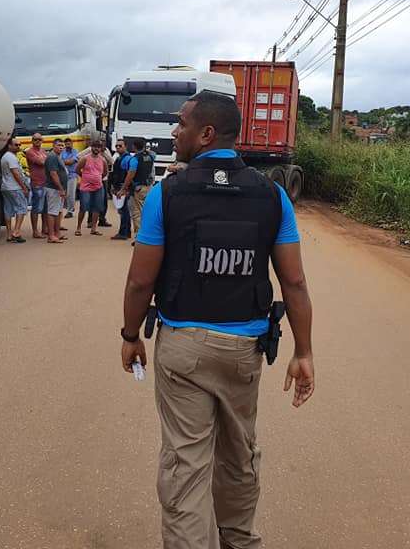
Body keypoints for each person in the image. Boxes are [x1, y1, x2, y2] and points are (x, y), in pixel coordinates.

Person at [119, 91, 315, 549]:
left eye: (182, 124)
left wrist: (130, 335)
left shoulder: (167, 194)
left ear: (206, 134)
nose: (175, 132)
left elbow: (139, 282)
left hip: (183, 347)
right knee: (238, 454)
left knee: (186, 465)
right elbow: (295, 281)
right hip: (244, 351)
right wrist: (303, 352)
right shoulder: (272, 196)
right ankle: (239, 540)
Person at [116, 137, 155, 237]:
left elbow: (130, 175)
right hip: (149, 187)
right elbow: (153, 153)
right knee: (147, 211)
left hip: (138, 189)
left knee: (137, 213)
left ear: (134, 147)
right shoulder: (150, 156)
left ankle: (140, 236)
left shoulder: (135, 159)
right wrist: (146, 150)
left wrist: (123, 189)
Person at [75, 139, 109, 236]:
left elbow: (105, 172)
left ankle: (94, 228)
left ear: (101, 149)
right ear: (91, 148)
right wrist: (85, 177)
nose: (96, 149)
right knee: (83, 207)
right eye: (94, 147)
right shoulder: (85, 158)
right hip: (86, 187)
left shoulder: (103, 160)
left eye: (98, 147)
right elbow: (77, 169)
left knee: (97, 208)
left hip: (98, 187)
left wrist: (98, 178)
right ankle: (78, 228)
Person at [1, 137, 29, 243]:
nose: (18, 146)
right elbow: (16, 174)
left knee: (8, 210)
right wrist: (24, 188)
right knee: (21, 208)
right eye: (16, 145)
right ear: (9, 146)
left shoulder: (5, 156)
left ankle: (9, 234)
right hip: (14, 187)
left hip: (6, 187)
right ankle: (16, 232)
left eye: (19, 145)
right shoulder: (11, 157)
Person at [43, 139, 68, 244]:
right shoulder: (52, 157)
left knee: (58, 211)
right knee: (52, 212)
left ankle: (57, 233)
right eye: (59, 145)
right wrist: (60, 188)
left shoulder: (58, 157)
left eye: (62, 145)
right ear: (53, 146)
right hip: (54, 188)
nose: (61, 147)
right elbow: (53, 174)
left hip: (59, 189)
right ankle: (51, 235)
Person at [109, 139, 134, 240]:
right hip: (119, 186)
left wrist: (125, 189)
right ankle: (125, 232)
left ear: (125, 147)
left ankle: (124, 232)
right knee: (123, 210)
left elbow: (129, 175)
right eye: (116, 146)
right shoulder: (119, 158)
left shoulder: (127, 159)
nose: (118, 148)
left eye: (120, 146)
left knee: (124, 210)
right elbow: (115, 174)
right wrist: (112, 186)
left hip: (122, 187)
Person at [24, 133, 48, 239]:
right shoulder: (30, 152)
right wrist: (48, 160)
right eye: (35, 139)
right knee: (37, 208)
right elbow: (42, 162)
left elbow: (47, 162)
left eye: (39, 139)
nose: (37, 141)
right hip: (37, 183)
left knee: (45, 208)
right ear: (32, 141)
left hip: (46, 183)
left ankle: (45, 229)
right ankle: (35, 231)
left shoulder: (43, 151)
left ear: (42, 141)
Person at [96, 139, 114, 228]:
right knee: (93, 199)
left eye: (103, 145)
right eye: (100, 145)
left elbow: (112, 161)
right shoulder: (90, 150)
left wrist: (104, 153)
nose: (101, 147)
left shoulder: (106, 151)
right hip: (94, 178)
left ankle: (102, 219)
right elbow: (79, 156)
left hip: (104, 178)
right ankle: (90, 220)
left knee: (104, 200)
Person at [60, 138, 79, 219]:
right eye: (66, 144)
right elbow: (60, 161)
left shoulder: (76, 152)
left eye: (69, 144)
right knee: (63, 194)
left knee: (70, 194)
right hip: (63, 175)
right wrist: (65, 161)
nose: (68, 145)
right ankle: (68, 208)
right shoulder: (62, 152)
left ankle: (70, 211)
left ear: (72, 144)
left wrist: (64, 161)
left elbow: (71, 162)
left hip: (73, 175)